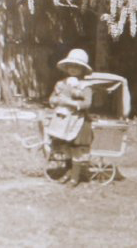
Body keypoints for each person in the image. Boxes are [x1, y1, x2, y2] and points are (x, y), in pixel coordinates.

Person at [47, 48, 93, 186]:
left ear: (83, 70)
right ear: (66, 67)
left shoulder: (85, 86)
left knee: (75, 148)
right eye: (71, 66)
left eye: (77, 67)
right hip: (62, 120)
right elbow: (52, 98)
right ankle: (67, 172)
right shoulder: (60, 84)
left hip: (78, 120)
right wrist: (54, 101)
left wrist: (70, 102)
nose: (73, 69)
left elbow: (87, 103)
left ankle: (75, 177)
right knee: (65, 146)